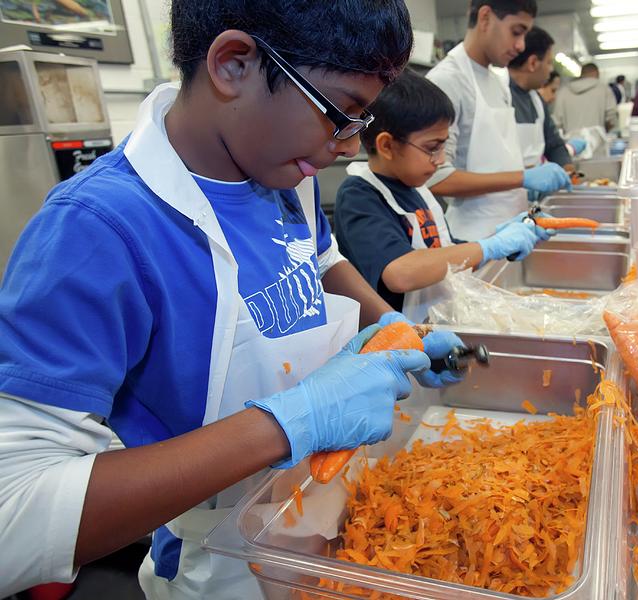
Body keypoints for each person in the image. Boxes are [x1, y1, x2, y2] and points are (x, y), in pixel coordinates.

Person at [0, 2, 470, 598]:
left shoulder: (281, 170)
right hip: (221, 561)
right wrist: (292, 420)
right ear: (233, 64)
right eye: (341, 113)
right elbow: (12, 508)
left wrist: (399, 330)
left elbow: (320, 260)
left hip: (318, 525)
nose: (348, 148)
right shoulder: (97, 232)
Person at [334, 71, 550, 322]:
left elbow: (442, 252)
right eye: (431, 148)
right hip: (391, 342)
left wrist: (499, 239)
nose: (441, 159)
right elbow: (400, 272)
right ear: (387, 146)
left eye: (443, 146)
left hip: (431, 326)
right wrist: (488, 248)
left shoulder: (418, 191)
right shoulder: (359, 196)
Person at [425, 0, 570, 241]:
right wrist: (522, 178)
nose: (521, 46)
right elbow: (436, 177)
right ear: (485, 18)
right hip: (472, 237)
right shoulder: (447, 81)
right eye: (516, 32)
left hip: (512, 228)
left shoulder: (497, 82)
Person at [507, 27, 579, 170]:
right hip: (508, 190)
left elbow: (554, 145)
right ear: (533, 63)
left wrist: (569, 172)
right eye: (549, 62)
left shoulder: (536, 100)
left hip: (535, 191)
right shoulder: (499, 95)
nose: (551, 69)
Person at [553, 62, 618, 135]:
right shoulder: (604, 90)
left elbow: (557, 122)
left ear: (581, 74)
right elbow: (611, 119)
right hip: (597, 143)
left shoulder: (563, 91)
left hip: (571, 144)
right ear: (597, 73)